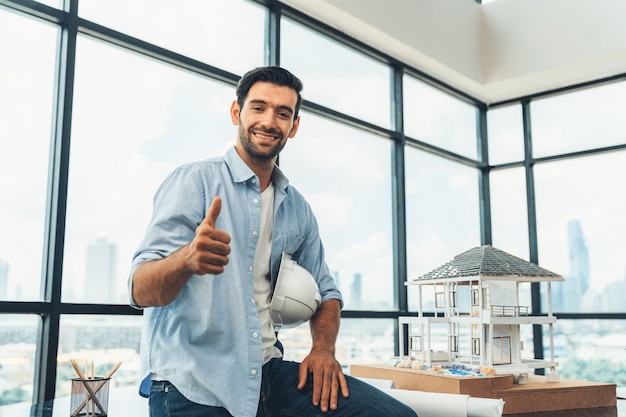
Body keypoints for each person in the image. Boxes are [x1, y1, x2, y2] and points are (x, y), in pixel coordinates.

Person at [129, 66, 417, 417]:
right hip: (193, 385)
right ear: (237, 112)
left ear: (293, 126)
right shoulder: (195, 182)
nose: (269, 121)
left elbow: (327, 293)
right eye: (258, 108)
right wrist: (186, 259)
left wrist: (322, 350)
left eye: (283, 113)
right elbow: (140, 290)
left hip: (268, 375)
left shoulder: (297, 208)